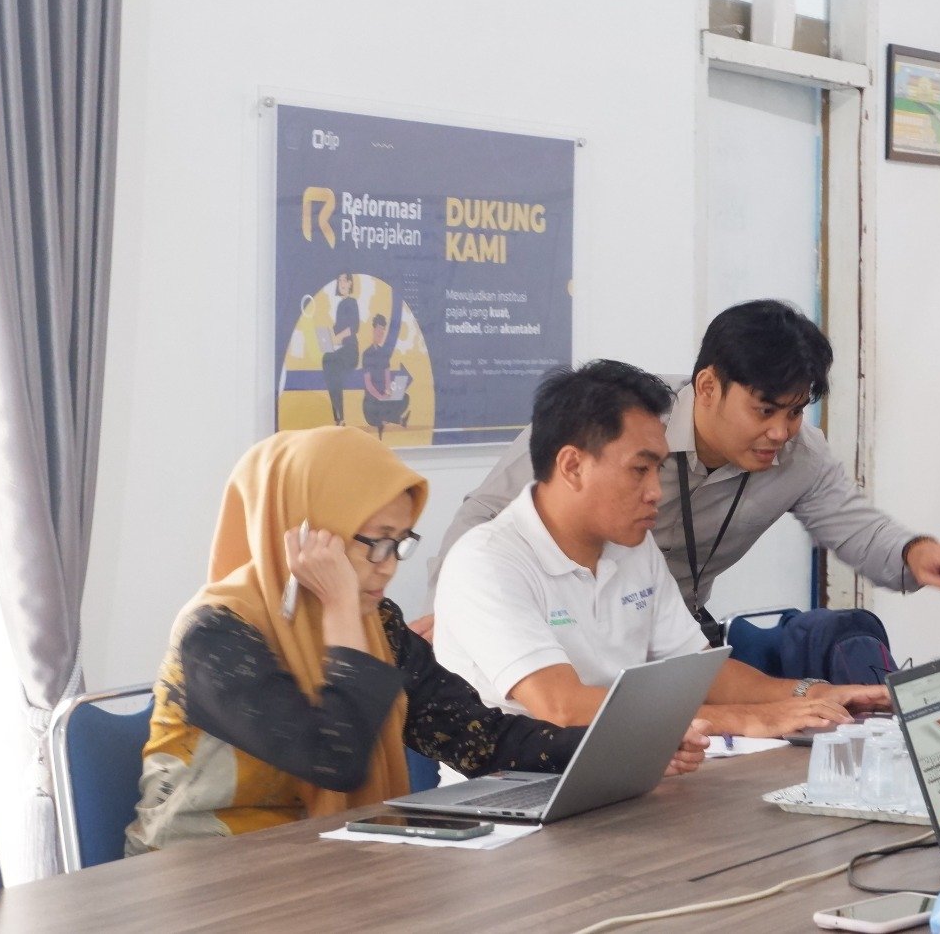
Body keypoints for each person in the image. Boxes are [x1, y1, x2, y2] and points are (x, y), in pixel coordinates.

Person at [125, 426, 705, 853]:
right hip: (203, 875)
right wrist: (342, 612)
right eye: (374, 541)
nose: (388, 565)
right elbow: (334, 758)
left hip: (322, 861)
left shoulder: (376, 624)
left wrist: (620, 748)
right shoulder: (216, 633)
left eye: (400, 542)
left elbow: (479, 737)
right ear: (304, 532)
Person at [413, 299, 940, 641]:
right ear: (707, 387)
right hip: (561, 631)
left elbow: (856, 527)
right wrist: (456, 611)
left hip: (671, 638)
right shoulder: (617, 420)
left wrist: (913, 552)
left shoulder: (800, 456)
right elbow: (486, 514)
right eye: (765, 410)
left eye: (796, 411)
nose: (781, 431)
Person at [434, 359, 890, 738]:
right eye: (640, 470)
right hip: (516, 793)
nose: (656, 491)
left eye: (658, 469)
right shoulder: (486, 561)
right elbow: (563, 707)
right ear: (572, 466)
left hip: (624, 774)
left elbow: (700, 673)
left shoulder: (632, 546)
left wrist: (814, 694)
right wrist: (748, 720)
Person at [360, 313, 410, 437]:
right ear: (373, 330)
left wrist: (388, 391)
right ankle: (398, 420)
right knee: (374, 411)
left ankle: (383, 420)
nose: (381, 333)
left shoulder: (384, 353)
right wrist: (380, 397)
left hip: (384, 397)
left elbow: (387, 376)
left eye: (383, 330)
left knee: (405, 398)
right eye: (379, 329)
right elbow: (368, 383)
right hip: (372, 400)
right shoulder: (367, 354)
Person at [321, 272, 360, 426]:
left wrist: (337, 338)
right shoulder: (339, 305)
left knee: (329, 361)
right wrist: (330, 342)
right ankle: (338, 417)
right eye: (339, 281)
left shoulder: (352, 302)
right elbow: (338, 332)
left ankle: (339, 418)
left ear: (350, 283)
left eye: (344, 280)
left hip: (351, 350)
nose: (341, 283)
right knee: (328, 362)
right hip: (340, 350)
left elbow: (354, 327)